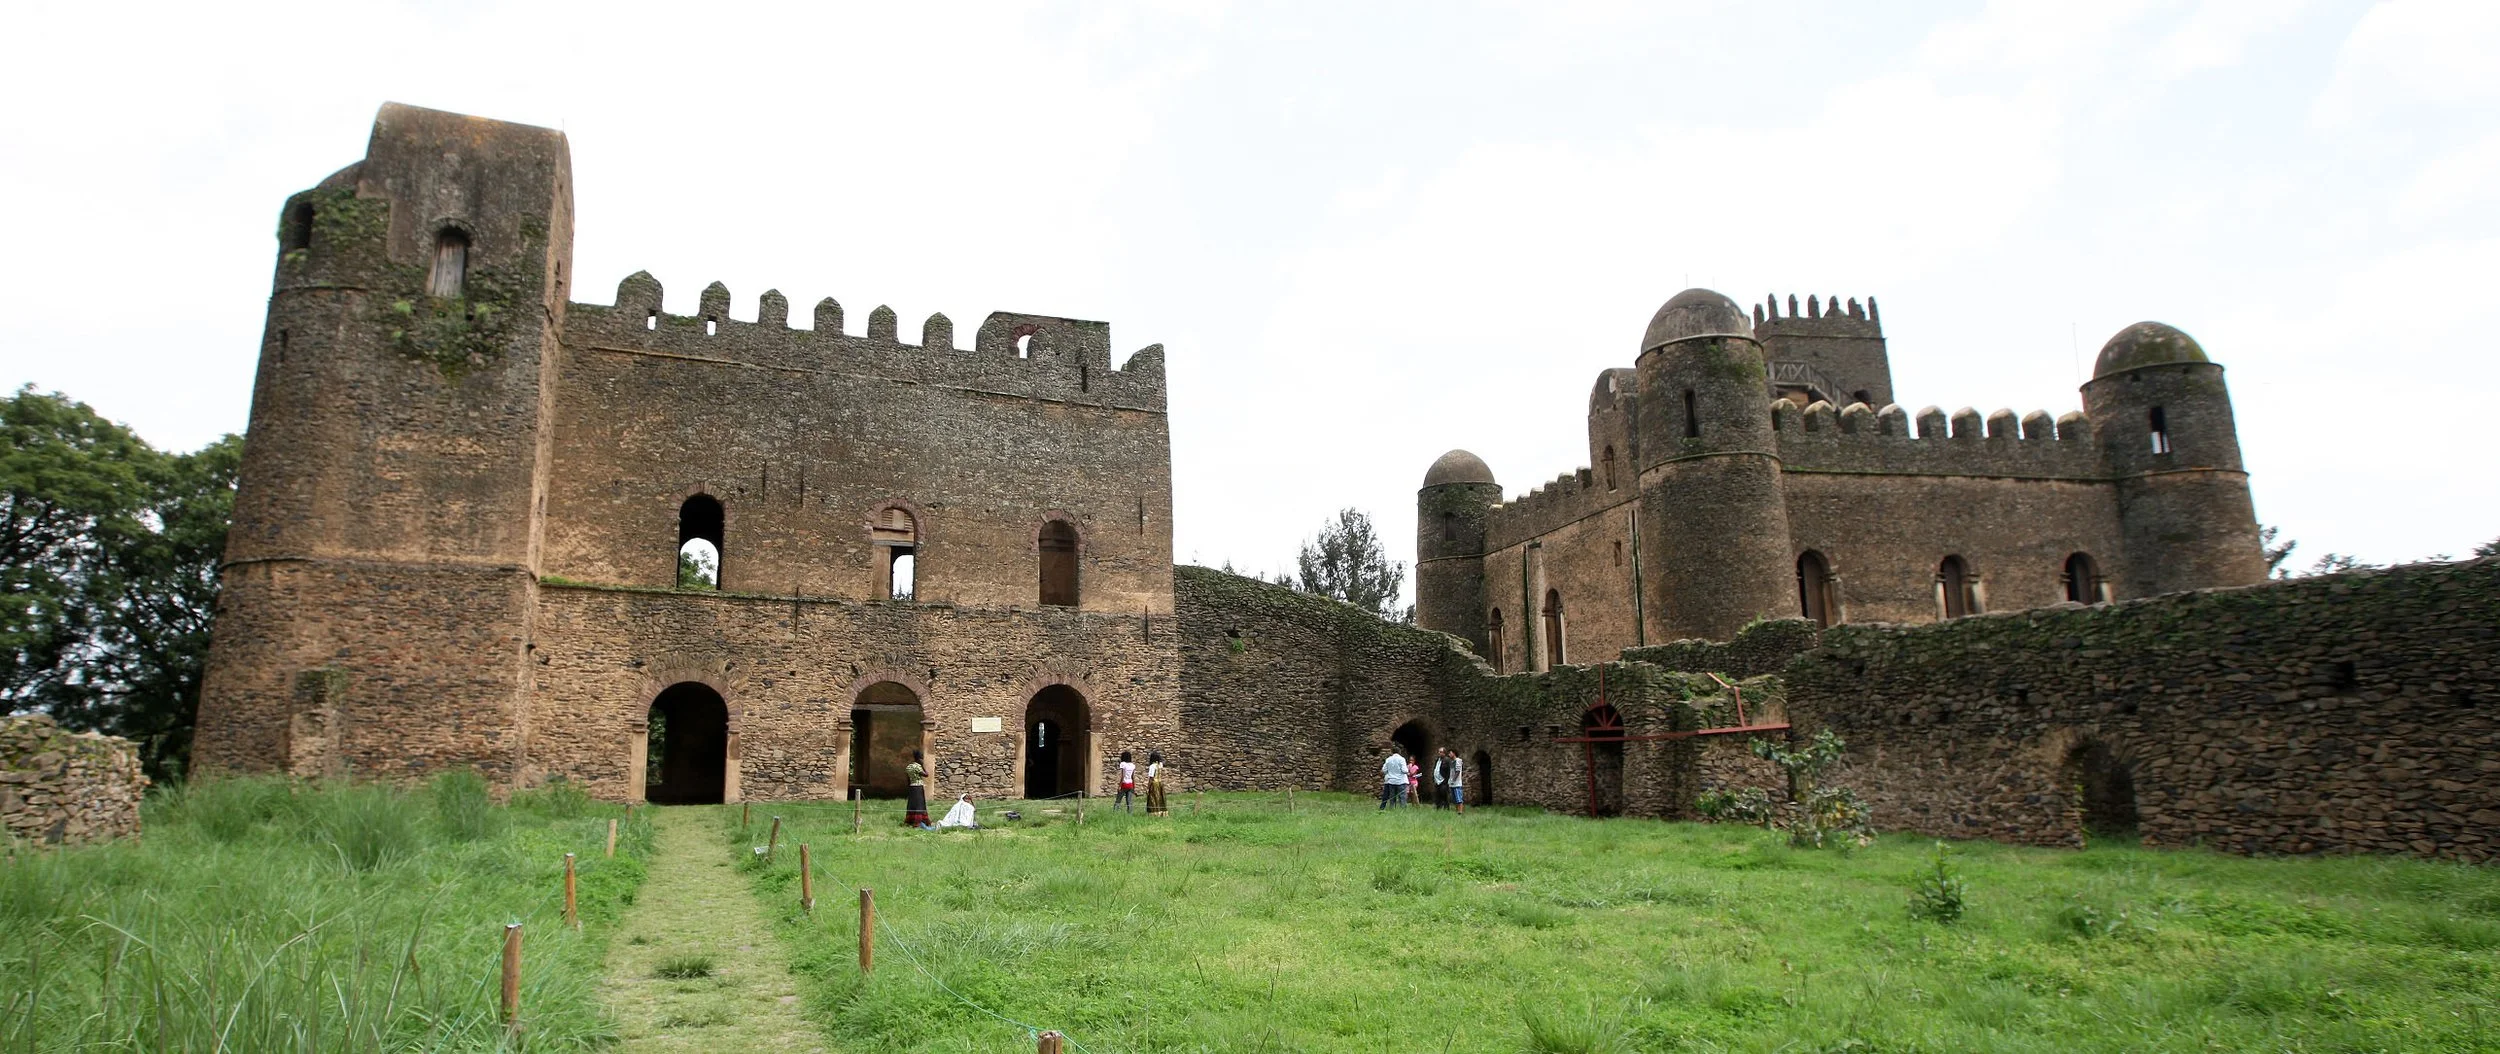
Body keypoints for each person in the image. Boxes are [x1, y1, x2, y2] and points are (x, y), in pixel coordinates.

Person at [904, 750, 931, 827]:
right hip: (918, 787)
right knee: (920, 804)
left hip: (912, 787)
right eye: (921, 758)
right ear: (919, 758)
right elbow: (926, 775)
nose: (922, 760)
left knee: (912, 804)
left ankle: (910, 820)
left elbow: (908, 779)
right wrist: (923, 766)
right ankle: (918, 822)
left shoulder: (909, 766)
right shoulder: (918, 766)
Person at [1378, 744, 1409, 809]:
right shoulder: (1401, 759)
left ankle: (1392, 808)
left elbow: (1384, 770)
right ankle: (1403, 809)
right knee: (1402, 796)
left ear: (1392, 752)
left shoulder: (1388, 759)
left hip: (1391, 781)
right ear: (1399, 752)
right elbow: (1404, 770)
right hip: (1401, 781)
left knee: (1392, 797)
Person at [1144, 750, 1170, 817]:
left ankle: (1154, 813)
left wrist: (1148, 787)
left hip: (1154, 783)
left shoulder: (1152, 766)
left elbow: (1151, 778)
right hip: (1160, 782)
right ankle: (1162, 812)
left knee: (1153, 798)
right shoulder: (1160, 765)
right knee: (1160, 798)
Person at [1444, 749, 1467, 815]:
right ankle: (1457, 811)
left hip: (1457, 783)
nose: (1449, 755)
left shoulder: (1458, 761)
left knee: (1458, 798)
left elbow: (1457, 771)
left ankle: (1460, 811)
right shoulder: (1451, 762)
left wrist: (1453, 780)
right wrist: (1450, 781)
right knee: (1454, 798)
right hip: (1451, 783)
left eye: (1450, 753)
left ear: (1454, 753)